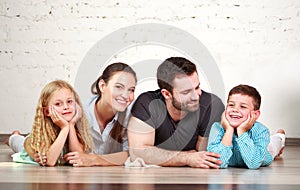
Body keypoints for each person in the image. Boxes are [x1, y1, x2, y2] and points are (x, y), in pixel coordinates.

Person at [127, 57, 225, 168]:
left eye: (197, 87)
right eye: (186, 92)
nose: (195, 96)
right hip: (155, 178)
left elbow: (205, 157)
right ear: (167, 94)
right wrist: (187, 158)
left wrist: (158, 155)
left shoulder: (211, 106)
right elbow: (138, 153)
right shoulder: (147, 103)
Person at [63, 62, 137, 166]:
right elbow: (77, 156)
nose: (126, 95)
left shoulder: (131, 115)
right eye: (119, 87)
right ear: (102, 86)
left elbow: (131, 155)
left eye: (131, 90)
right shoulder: (80, 112)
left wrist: (94, 159)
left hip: (115, 177)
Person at [13, 80, 93, 166]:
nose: (66, 107)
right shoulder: (43, 134)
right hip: (30, 142)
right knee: (16, 141)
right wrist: (65, 128)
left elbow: (78, 156)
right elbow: (50, 162)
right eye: (58, 104)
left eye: (69, 102)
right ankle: (14, 135)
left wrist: (71, 125)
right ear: (47, 111)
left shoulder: (76, 128)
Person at [207, 84, 286, 169]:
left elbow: (253, 163)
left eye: (243, 106)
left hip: (264, 154)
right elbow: (217, 162)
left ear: (255, 114)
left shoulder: (261, 131)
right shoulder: (217, 128)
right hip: (239, 141)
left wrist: (242, 131)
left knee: (274, 144)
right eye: (231, 105)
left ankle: (280, 136)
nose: (235, 109)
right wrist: (229, 130)